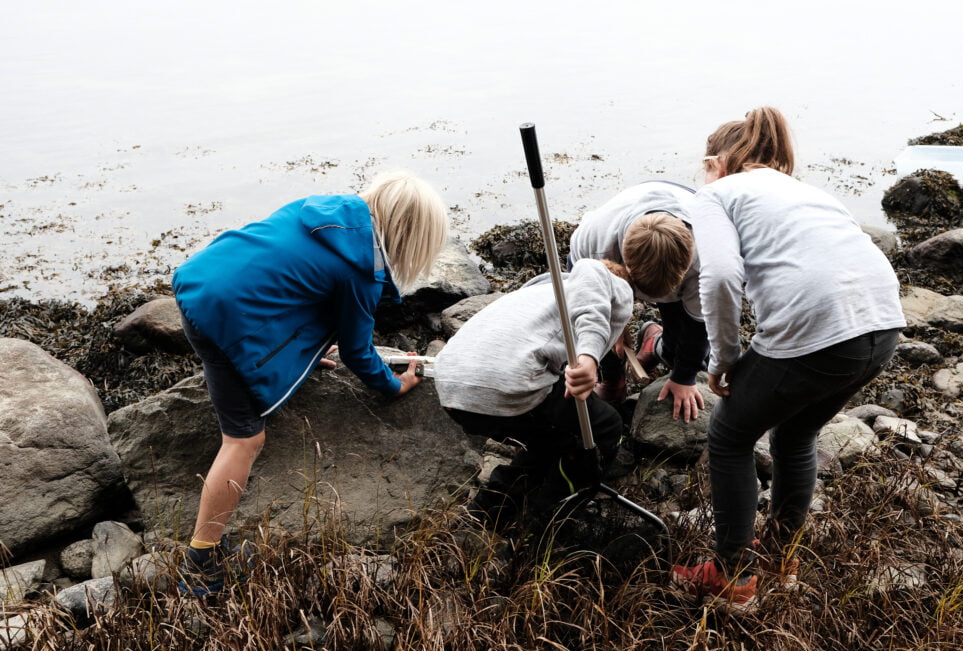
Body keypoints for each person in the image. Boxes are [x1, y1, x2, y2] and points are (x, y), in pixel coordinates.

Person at [670, 107, 906, 611]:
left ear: (719, 161)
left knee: (729, 435)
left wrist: (724, 357)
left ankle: (733, 578)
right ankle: (781, 560)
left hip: (821, 330)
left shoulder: (716, 193)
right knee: (797, 432)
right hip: (883, 323)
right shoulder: (809, 191)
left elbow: (718, 279)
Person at [171, 170, 449, 596]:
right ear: (410, 234)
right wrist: (395, 386)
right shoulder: (360, 270)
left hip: (199, 280)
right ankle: (202, 558)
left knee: (244, 413)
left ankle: (203, 553)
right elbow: (358, 352)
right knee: (244, 441)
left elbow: (284, 283)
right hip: (223, 318)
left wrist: (298, 351)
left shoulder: (320, 213)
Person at [433, 258, 634, 530]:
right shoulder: (596, 288)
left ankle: (485, 513)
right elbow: (592, 322)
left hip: (450, 385)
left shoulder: (533, 294)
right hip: (501, 386)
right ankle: (549, 520)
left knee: (550, 437)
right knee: (606, 425)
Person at [568, 182, 707, 422]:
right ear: (627, 266)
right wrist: (615, 322)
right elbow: (583, 299)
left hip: (684, 207)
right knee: (600, 331)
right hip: (621, 234)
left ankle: (655, 344)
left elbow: (700, 326)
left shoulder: (708, 260)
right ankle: (613, 378)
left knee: (688, 355)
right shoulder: (595, 242)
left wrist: (684, 377)